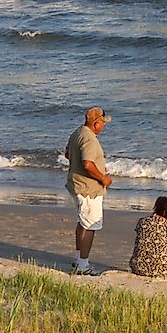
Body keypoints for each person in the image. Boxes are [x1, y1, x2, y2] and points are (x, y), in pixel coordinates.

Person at [64, 107, 112, 276]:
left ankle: (79, 259)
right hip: (88, 189)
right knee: (90, 225)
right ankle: (83, 265)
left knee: (83, 222)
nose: (104, 126)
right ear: (96, 123)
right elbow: (87, 164)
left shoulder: (77, 133)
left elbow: (67, 154)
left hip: (77, 185)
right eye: (103, 123)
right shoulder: (90, 139)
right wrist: (103, 178)